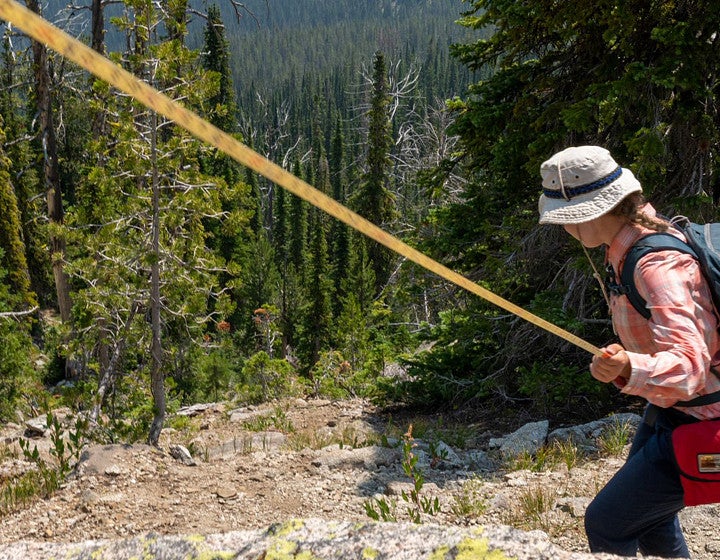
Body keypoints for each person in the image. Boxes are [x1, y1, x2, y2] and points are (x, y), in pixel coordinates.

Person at [537, 145, 720, 558]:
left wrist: (631, 365)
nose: (564, 229)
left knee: (608, 521)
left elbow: (691, 368)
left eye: (565, 219)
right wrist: (626, 363)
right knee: (650, 520)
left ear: (591, 212)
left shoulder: (654, 265)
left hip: (704, 418)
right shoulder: (634, 242)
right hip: (677, 410)